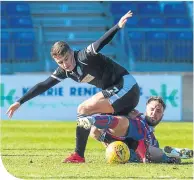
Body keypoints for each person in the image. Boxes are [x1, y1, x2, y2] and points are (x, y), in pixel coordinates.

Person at [6, 11, 140, 163]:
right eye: (60, 62)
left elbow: (101, 42)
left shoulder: (84, 56)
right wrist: (20, 101)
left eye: (67, 59)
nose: (65, 64)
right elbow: (43, 85)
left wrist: (118, 26)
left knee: (83, 110)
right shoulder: (65, 71)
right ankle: (131, 148)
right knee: (95, 131)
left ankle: (78, 155)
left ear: (71, 52)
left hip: (126, 86)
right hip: (118, 92)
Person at [79, 96, 193, 163]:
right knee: (123, 123)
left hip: (137, 150)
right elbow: (95, 132)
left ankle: (170, 156)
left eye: (158, 111)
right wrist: (107, 142)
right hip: (127, 136)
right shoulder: (136, 118)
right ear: (146, 109)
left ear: (162, 116)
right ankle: (93, 119)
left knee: (154, 151)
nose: (154, 113)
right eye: (152, 109)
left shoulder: (153, 139)